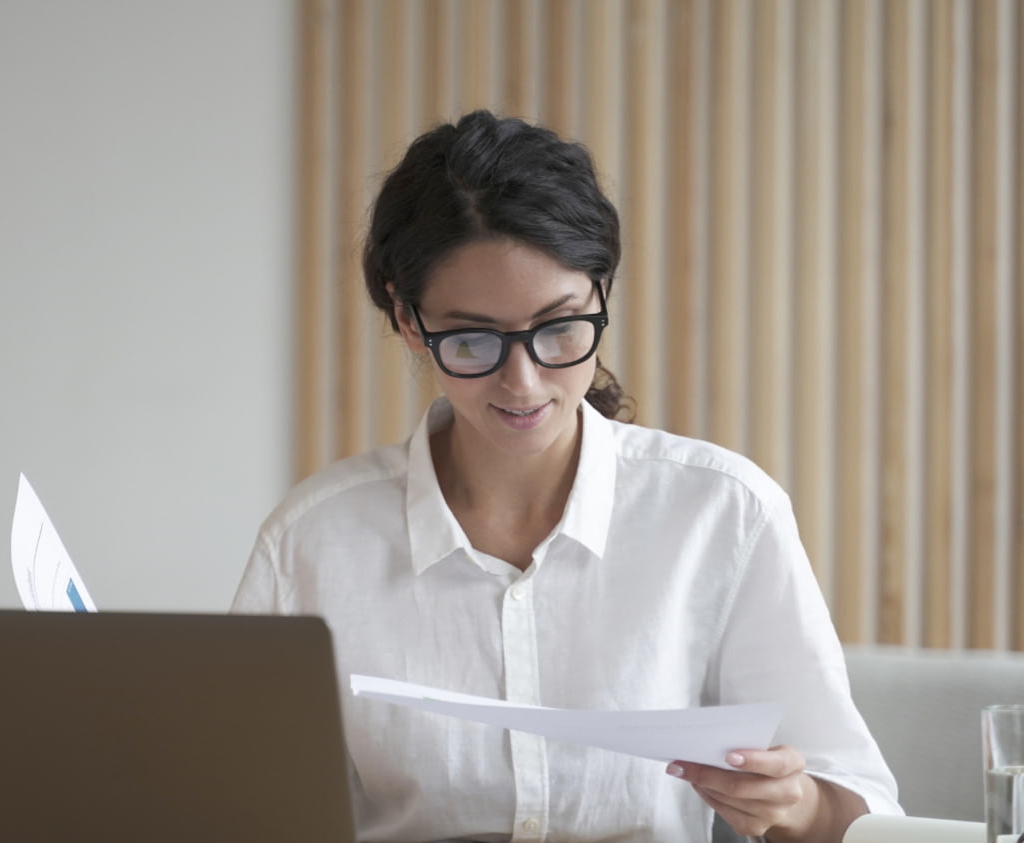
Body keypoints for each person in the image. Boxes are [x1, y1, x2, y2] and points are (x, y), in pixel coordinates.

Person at [231, 110, 900, 842]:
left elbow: (860, 812)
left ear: (601, 292)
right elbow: (238, 806)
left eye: (558, 328)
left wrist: (793, 803)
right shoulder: (313, 543)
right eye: (474, 339)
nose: (523, 382)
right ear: (407, 317)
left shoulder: (723, 514)